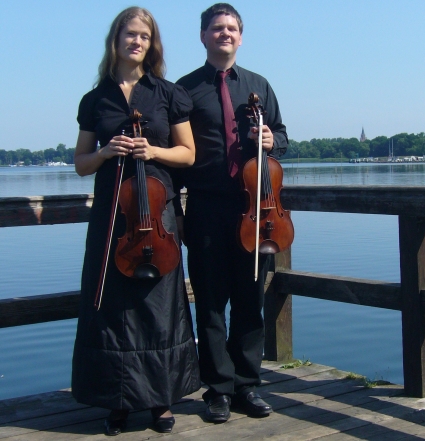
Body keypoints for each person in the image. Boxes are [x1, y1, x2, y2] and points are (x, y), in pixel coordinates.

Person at [71, 7, 200, 436]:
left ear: (152, 44)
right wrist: (107, 152)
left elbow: (188, 153)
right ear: (117, 40)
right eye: (130, 35)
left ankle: (161, 402)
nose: (137, 42)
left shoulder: (166, 93)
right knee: (112, 308)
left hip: (156, 213)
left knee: (158, 307)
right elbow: (81, 164)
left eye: (144, 36)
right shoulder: (95, 100)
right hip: (114, 216)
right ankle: (118, 401)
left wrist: (152, 152)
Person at [176, 3, 288, 423]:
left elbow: (283, 134)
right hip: (205, 206)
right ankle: (217, 390)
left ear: (241, 37)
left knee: (249, 300)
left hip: (254, 210)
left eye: (231, 29)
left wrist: (270, 139)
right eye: (217, 28)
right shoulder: (183, 90)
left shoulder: (258, 85)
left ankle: (247, 386)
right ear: (203, 36)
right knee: (208, 303)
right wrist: (178, 212)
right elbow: (174, 160)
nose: (225, 34)